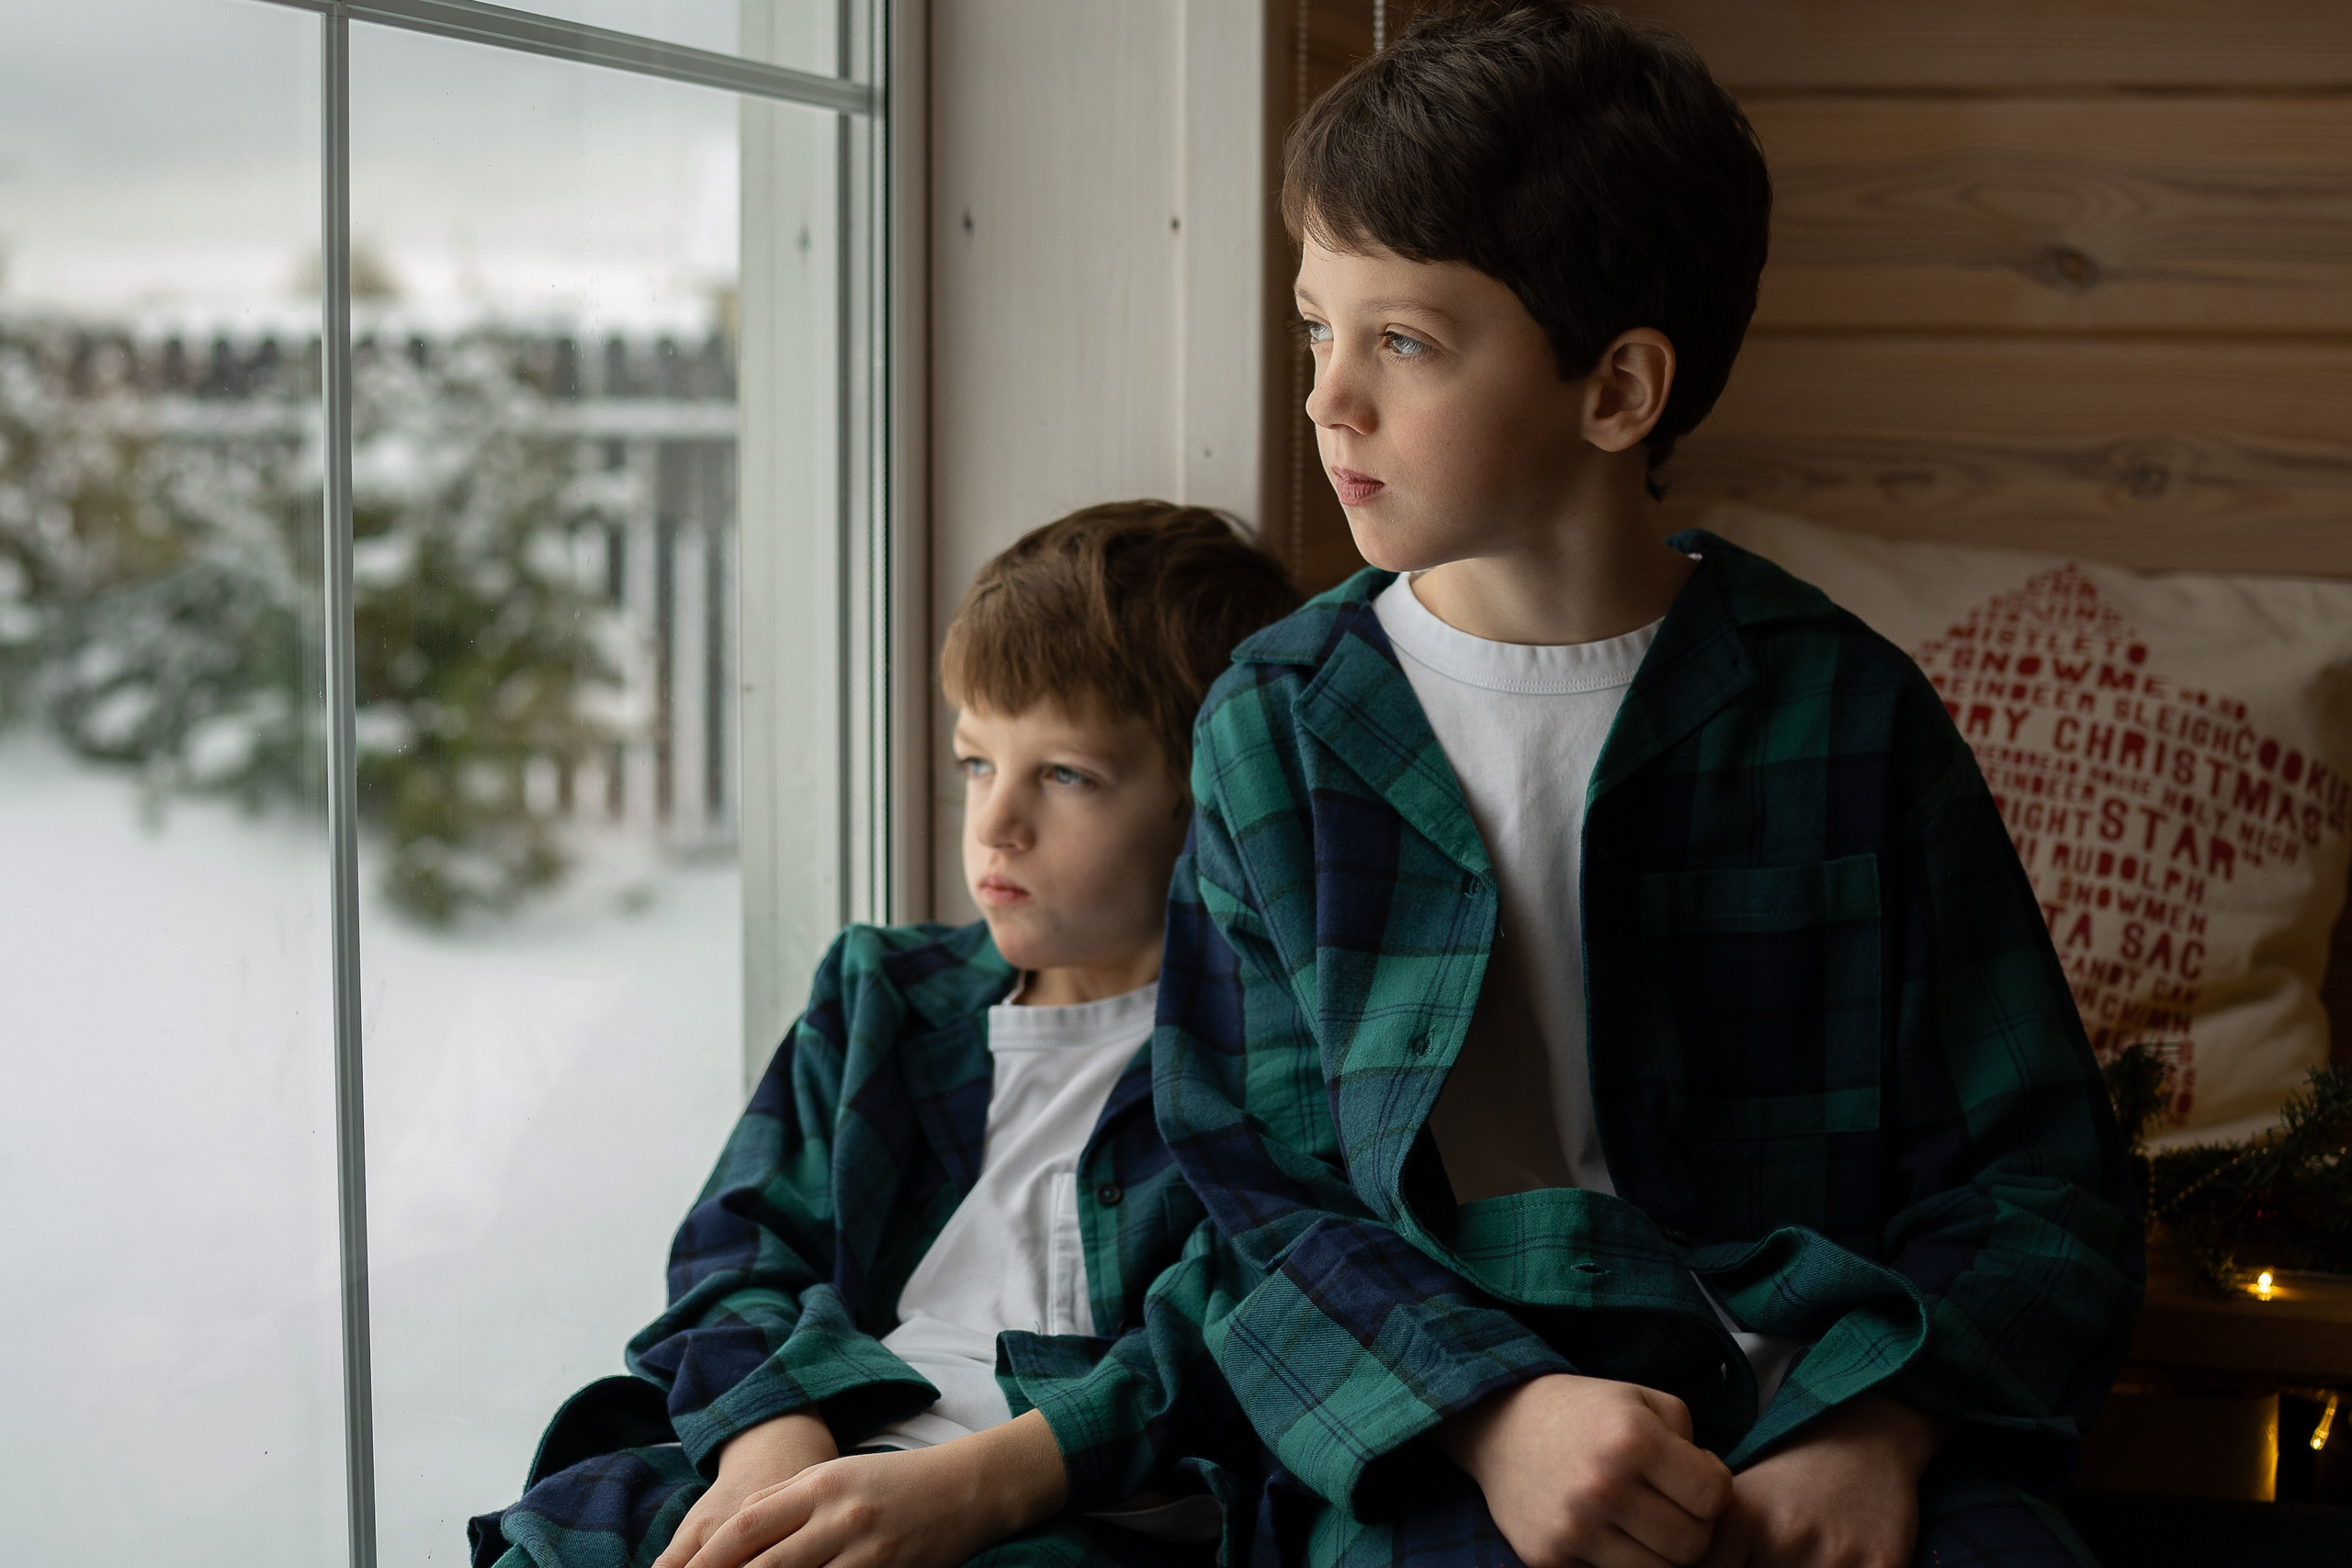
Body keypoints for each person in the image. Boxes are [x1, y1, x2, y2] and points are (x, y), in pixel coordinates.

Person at [1152, 6, 2143, 1567]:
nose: (1327, 397)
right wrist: (1495, 1416)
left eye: (1400, 340)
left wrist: (1878, 1425)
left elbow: (2035, 1174)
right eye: (1314, 329)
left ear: (1617, 391)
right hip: (1453, 1431)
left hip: (1830, 1398)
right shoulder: (1274, 726)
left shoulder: (1846, 707)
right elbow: (1251, 1187)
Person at [471, 502, 1299, 1568]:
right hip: (830, 1439)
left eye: (1064, 775)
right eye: (974, 763)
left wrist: (962, 1492)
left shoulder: (1259, 1048)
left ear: (1204, 803)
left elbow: (1241, 1334)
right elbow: (737, 1251)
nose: (996, 821)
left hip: (1076, 1500)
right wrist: (774, 1445)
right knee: (580, 1531)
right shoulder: (882, 1002)